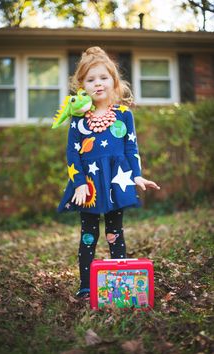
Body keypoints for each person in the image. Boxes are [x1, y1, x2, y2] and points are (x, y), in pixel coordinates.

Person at [57, 46, 160, 299]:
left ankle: (119, 281)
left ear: (113, 81)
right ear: (82, 85)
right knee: (89, 233)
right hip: (89, 186)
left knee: (115, 232)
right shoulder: (78, 119)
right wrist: (79, 183)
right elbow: (72, 154)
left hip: (116, 180)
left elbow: (130, 147)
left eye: (103, 78)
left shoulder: (124, 115)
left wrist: (136, 175)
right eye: (91, 80)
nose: (98, 84)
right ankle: (85, 285)